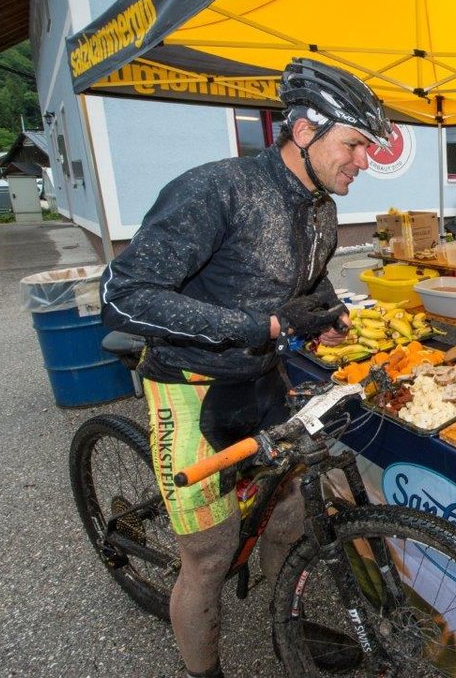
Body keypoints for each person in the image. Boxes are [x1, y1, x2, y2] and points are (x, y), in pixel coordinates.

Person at [100, 57, 391, 678]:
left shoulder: (321, 208)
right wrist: (256, 327)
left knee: (287, 516)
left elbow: (306, 285)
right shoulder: (216, 188)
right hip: (189, 387)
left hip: (261, 381)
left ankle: (282, 615)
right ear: (306, 130)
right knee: (209, 554)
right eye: (356, 145)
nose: (364, 162)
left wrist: (329, 311)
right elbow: (124, 293)